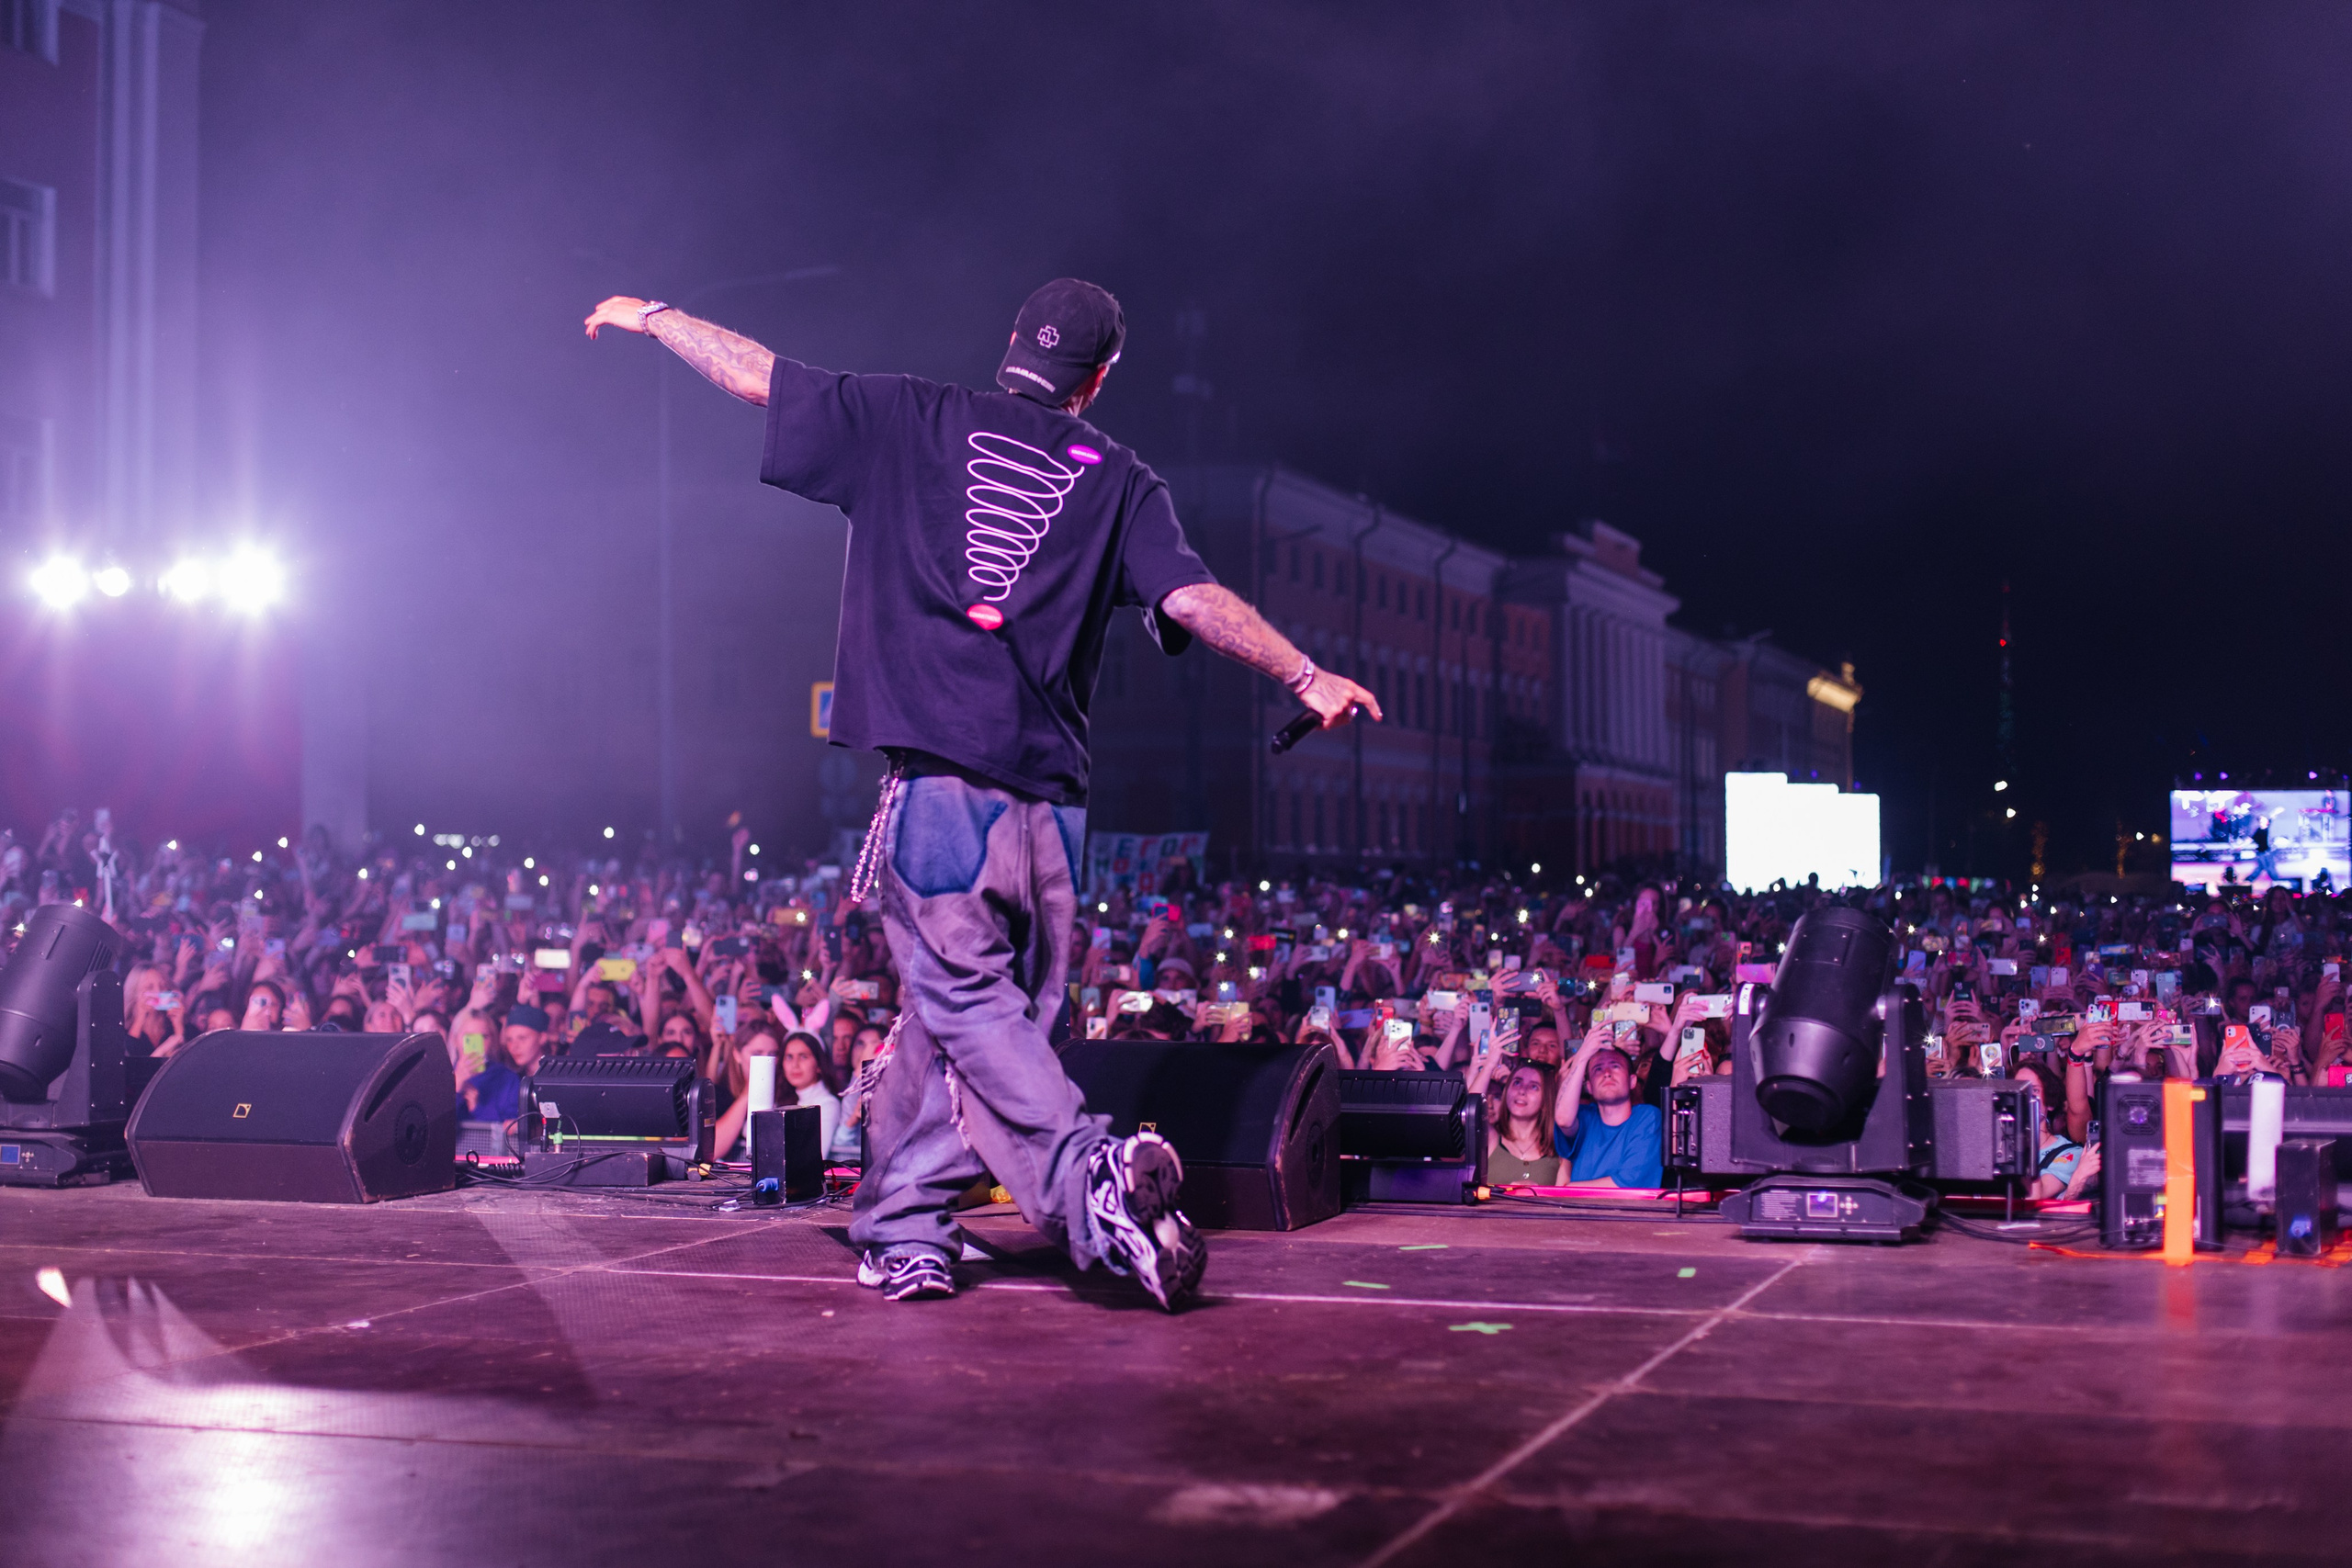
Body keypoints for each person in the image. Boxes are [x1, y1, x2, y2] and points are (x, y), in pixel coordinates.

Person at [587, 276, 1378, 1306]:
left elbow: (760, 381)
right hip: (1049, 812)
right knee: (966, 1020)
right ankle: (904, 1225)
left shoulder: (908, 415)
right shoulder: (1121, 479)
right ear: (1096, 380)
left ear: (1011, 344)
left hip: (944, 798)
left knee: (964, 1006)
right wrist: (1305, 676)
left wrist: (656, 319)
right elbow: (1191, 597)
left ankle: (1088, 1180)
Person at [1553, 1021, 1665, 1188]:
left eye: (1615, 1066)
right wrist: (1582, 1056)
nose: (1606, 1073)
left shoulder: (1647, 1117)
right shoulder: (1585, 1117)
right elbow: (1563, 1120)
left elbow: (1628, 1183)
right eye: (1597, 1069)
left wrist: (1569, 1190)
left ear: (1632, 1081)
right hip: (1578, 1213)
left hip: (1624, 1213)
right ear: (1589, 1087)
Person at [1487, 1063, 1562, 1186]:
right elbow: (1469, 1113)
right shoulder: (1490, 1137)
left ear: (1545, 1100)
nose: (1522, 1090)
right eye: (1517, 1082)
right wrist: (1489, 1065)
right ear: (1506, 1092)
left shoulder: (1558, 1147)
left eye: (1533, 1087)